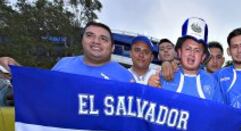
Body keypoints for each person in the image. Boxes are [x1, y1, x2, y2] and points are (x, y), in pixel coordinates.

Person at [1, 21, 133, 82]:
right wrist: (15, 68)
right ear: (82, 40)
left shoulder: (125, 77)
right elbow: (41, 90)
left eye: (103, 38)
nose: (96, 41)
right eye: (90, 35)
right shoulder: (63, 64)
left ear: (113, 47)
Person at [157, 17, 223, 102]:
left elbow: (220, 112)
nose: (192, 54)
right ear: (179, 52)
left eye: (197, 50)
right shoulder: (165, 75)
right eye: (188, 49)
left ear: (203, 57)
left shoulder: (212, 82)